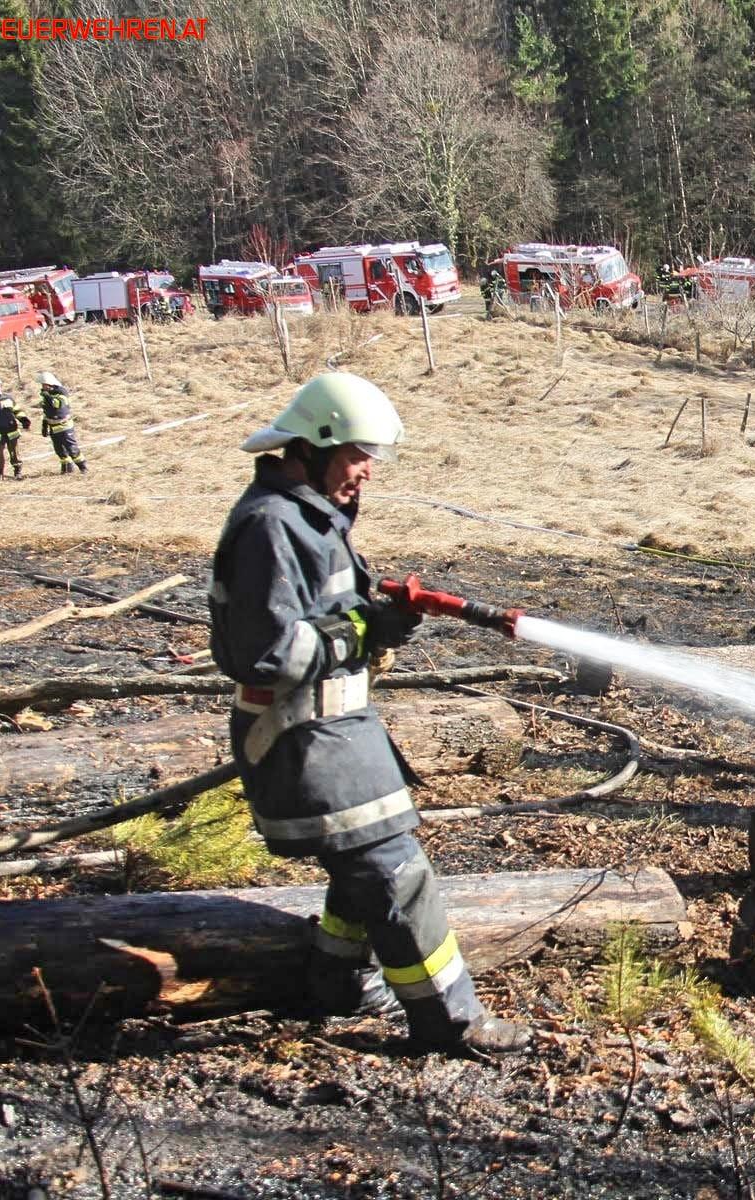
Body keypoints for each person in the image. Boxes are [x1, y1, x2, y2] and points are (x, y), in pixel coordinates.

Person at [209, 372, 528, 1059]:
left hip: (335, 733)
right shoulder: (271, 525)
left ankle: (335, 985)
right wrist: (358, 634)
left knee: (363, 871)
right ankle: (450, 1018)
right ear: (313, 446)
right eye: (357, 455)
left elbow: (329, 616)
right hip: (302, 741)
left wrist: (377, 622)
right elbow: (262, 652)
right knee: (392, 869)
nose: (366, 473)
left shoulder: (308, 515)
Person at [37, 371, 87, 474]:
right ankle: (67, 469)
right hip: (53, 427)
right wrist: (44, 425)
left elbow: (57, 404)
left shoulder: (61, 392)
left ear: (50, 383)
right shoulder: (46, 394)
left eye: (44, 384)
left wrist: (47, 396)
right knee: (60, 450)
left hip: (64, 426)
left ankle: (83, 468)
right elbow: (47, 410)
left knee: (72, 449)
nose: (43, 386)